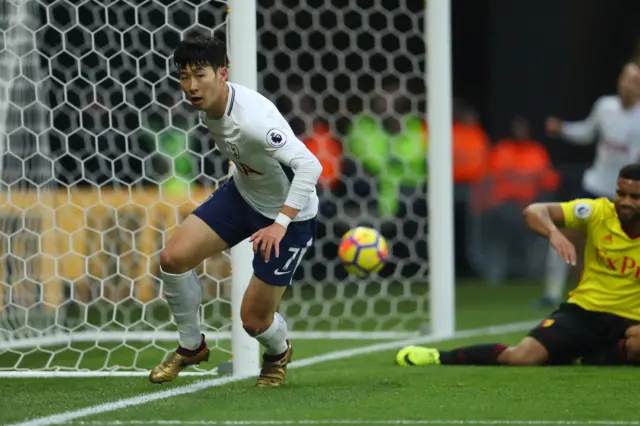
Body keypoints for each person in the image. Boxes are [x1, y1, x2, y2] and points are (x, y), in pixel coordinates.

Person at [148, 34, 322, 386]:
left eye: (201, 75)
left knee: (253, 321)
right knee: (172, 259)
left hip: (289, 216)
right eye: (185, 76)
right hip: (243, 195)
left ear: (223, 73)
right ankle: (191, 345)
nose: (192, 86)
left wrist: (280, 224)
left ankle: (277, 353)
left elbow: (310, 167)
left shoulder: (254, 120)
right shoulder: (212, 107)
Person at [395, 163, 640, 367]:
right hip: (585, 311)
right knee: (522, 357)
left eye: (634, 196)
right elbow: (534, 211)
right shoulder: (597, 212)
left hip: (631, 319)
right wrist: (553, 232)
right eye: (621, 193)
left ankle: (594, 357)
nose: (625, 202)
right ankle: (439, 356)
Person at [537, 62, 640, 308]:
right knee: (564, 233)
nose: (628, 84)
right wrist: (562, 129)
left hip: (625, 197)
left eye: (635, 81)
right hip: (594, 187)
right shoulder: (605, 107)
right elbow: (587, 131)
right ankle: (551, 293)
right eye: (626, 78)